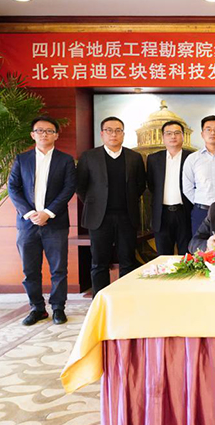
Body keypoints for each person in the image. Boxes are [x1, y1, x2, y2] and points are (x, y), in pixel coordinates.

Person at [8, 116, 76, 326]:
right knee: (30, 270)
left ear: (56, 135)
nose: (44, 134)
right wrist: (30, 213)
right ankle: (37, 308)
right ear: (32, 135)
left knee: (58, 269)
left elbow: (68, 188)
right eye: (39, 130)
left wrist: (47, 212)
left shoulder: (65, 160)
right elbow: (13, 188)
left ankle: (58, 308)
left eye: (49, 131)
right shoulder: (22, 159)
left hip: (55, 223)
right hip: (27, 223)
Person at [76, 116, 146, 295]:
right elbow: (80, 186)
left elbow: (140, 185)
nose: (113, 134)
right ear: (102, 134)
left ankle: (125, 299)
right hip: (99, 218)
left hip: (126, 217)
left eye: (118, 130)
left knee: (127, 261)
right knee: (99, 263)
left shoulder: (134, 157)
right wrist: (95, 204)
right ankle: (100, 301)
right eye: (109, 130)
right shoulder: (89, 157)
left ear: (123, 134)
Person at [182, 115, 215, 238]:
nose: (212, 133)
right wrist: (201, 201)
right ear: (202, 134)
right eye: (208, 129)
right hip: (201, 212)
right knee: (200, 246)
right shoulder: (192, 158)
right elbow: (187, 187)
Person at [146, 120, 193, 256]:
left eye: (177, 133)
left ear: (183, 136)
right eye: (169, 133)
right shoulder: (153, 159)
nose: (173, 136)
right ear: (163, 137)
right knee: (163, 256)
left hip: (185, 212)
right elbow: (152, 185)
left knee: (187, 256)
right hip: (162, 214)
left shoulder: (192, 157)